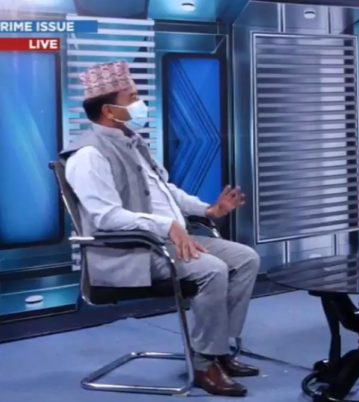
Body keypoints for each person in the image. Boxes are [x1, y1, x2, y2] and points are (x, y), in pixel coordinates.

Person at [62, 61, 260, 397]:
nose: (140, 103)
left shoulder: (132, 142)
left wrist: (208, 210)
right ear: (109, 110)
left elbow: (166, 192)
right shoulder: (88, 156)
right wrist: (166, 225)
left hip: (166, 242)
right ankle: (204, 364)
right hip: (131, 252)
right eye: (132, 97)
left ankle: (217, 350)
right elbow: (106, 217)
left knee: (245, 259)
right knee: (212, 269)